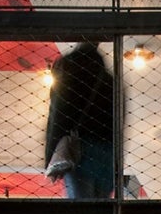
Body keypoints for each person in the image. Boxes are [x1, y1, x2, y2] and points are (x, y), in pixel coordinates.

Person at [43, 41, 116, 200]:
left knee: (81, 209)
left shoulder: (68, 72)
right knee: (103, 210)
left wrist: (51, 155)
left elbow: (58, 114)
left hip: (79, 149)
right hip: (108, 151)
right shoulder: (109, 79)